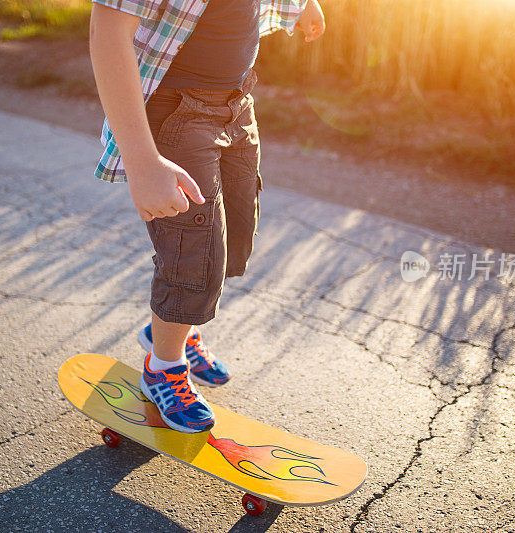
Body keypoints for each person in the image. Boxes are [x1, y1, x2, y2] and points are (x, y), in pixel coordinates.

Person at [89, 0, 325, 432]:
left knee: (231, 242)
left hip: (237, 104)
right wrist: (142, 163)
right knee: (193, 254)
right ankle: (163, 366)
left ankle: (173, 329)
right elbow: (107, 33)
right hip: (176, 110)